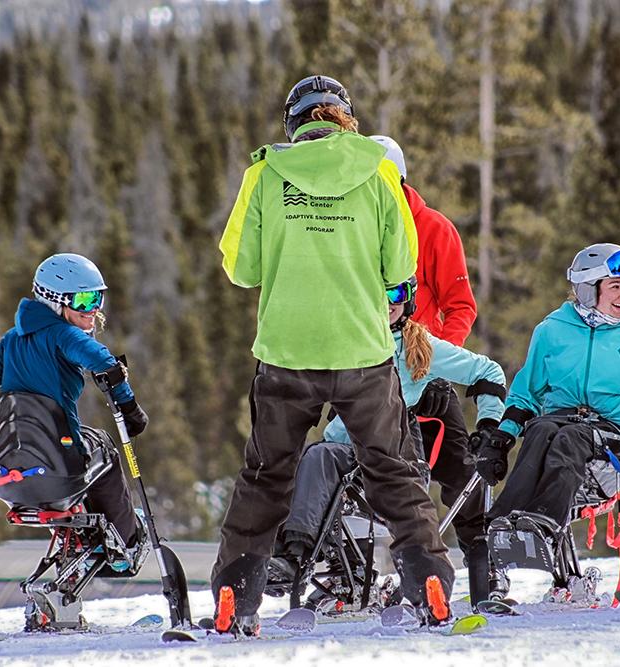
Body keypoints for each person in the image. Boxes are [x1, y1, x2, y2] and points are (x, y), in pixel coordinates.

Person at [214, 75, 454, 634]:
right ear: (344, 116)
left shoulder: (265, 173)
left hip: (287, 352)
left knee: (266, 477)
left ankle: (235, 597)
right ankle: (431, 585)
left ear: (294, 123)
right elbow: (401, 267)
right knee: (393, 473)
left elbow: (240, 268)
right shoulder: (377, 170)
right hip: (362, 352)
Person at [271, 277, 505, 601]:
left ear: (408, 299)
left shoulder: (419, 345)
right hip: (347, 445)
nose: (388, 302)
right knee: (315, 458)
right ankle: (294, 559)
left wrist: (489, 423)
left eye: (395, 293)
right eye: (377, 293)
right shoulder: (345, 339)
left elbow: (488, 372)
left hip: (396, 450)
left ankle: (424, 583)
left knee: (400, 492)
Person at [476, 243, 620, 559]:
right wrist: (503, 436)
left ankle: (544, 523)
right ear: (588, 289)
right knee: (541, 430)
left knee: (569, 438)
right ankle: (504, 523)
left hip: (614, 437)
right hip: (559, 420)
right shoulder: (552, 331)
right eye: (615, 286)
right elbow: (526, 392)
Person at [0, 253, 150, 573]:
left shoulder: (12, 340)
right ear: (56, 302)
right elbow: (104, 363)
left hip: (5, 477)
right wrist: (129, 408)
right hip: (59, 470)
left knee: (78, 445)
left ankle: (78, 548)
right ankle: (127, 542)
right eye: (85, 300)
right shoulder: (64, 334)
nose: (94, 309)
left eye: (98, 297)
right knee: (103, 448)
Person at [368, 135, 493, 602]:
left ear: (399, 181)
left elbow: (461, 305)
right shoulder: (358, 229)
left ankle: (484, 577)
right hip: (369, 374)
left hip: (425, 373)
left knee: (460, 472)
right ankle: (345, 580)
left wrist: (437, 356)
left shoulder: (433, 228)